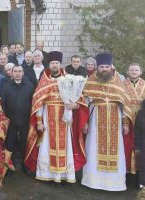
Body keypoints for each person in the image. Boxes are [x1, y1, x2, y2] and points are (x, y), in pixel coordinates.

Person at [24, 51, 88, 182]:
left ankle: (65, 175)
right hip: (48, 119)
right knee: (46, 146)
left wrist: (74, 105)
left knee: (67, 147)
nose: (54, 65)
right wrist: (39, 122)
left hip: (66, 120)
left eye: (57, 63)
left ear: (60, 64)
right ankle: (47, 174)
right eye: (52, 63)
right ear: (49, 64)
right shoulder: (44, 81)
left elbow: (80, 100)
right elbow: (38, 104)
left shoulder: (69, 79)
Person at [81, 53, 134, 191]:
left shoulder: (118, 82)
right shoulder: (90, 81)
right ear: (97, 68)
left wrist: (126, 123)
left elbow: (124, 104)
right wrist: (85, 123)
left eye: (107, 66)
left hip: (115, 120)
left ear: (111, 67)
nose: (104, 69)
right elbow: (84, 104)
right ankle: (92, 181)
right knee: (93, 148)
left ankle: (114, 183)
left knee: (116, 150)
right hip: (95, 120)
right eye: (102, 67)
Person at [123, 63, 145, 184]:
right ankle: (126, 174)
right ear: (127, 71)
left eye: (136, 70)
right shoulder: (121, 84)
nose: (134, 72)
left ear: (140, 72)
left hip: (142, 121)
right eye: (131, 70)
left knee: (140, 147)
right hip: (126, 119)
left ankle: (139, 176)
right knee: (126, 146)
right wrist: (124, 121)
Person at [0, 66, 34, 171]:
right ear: (12, 73)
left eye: (20, 71)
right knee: (10, 144)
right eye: (15, 71)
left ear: (23, 72)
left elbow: (33, 104)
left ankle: (25, 165)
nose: (17, 73)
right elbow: (3, 104)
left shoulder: (29, 86)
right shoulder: (6, 86)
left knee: (25, 143)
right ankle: (10, 165)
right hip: (11, 121)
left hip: (25, 121)